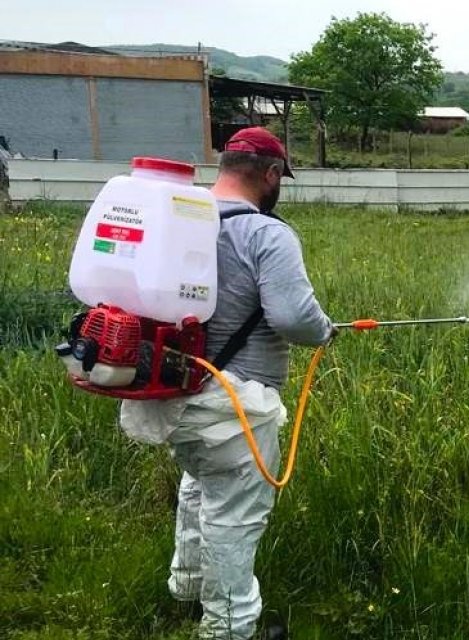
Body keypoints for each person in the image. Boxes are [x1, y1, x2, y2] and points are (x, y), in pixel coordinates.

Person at [119, 127, 334, 640]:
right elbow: (294, 317)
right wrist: (323, 329)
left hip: (174, 390)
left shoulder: (180, 217)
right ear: (271, 174)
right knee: (235, 514)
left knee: (199, 486)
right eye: (280, 178)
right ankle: (230, 628)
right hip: (234, 402)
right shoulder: (266, 233)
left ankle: (187, 589)